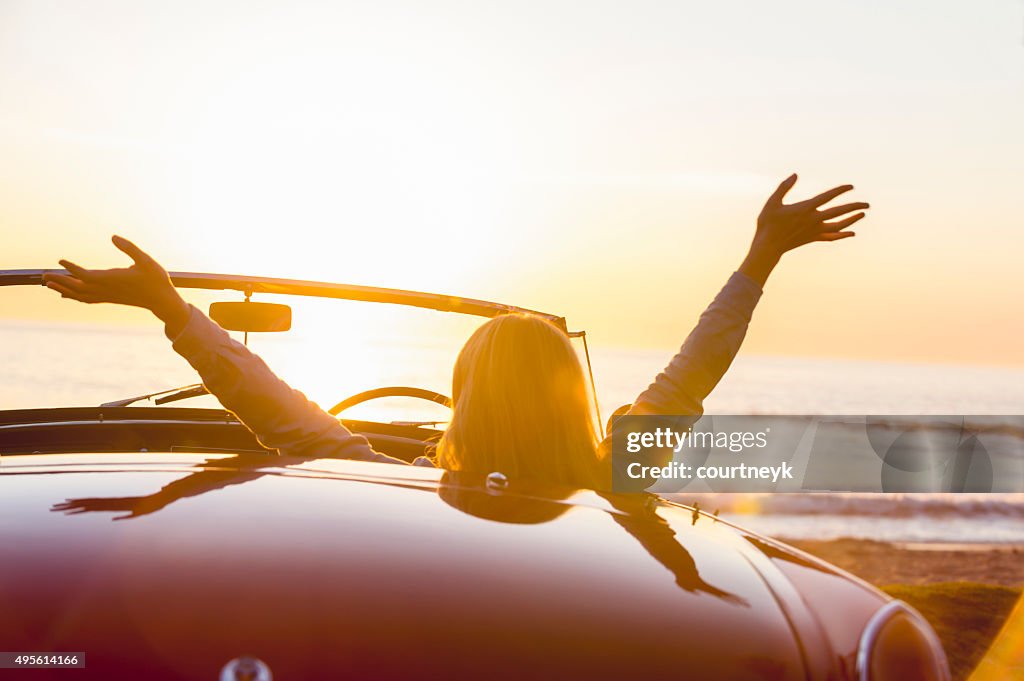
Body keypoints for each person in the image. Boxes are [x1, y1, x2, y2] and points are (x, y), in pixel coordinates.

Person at [43, 174, 868, 491]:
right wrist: (760, 255)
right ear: (571, 396)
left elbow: (277, 409)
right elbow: (694, 370)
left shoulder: (391, 482)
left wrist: (172, 310)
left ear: (463, 398)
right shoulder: (616, 475)